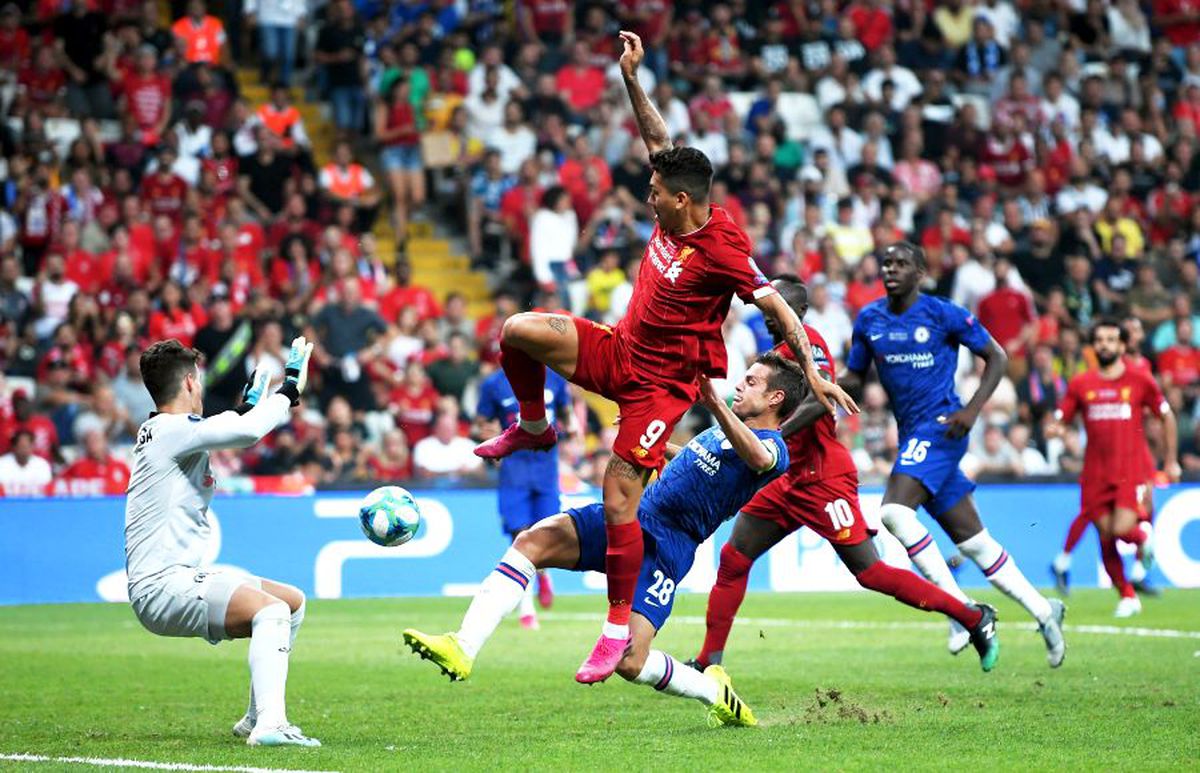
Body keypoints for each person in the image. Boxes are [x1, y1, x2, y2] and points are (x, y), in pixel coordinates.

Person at [472, 30, 858, 684]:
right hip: (619, 347)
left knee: (618, 492)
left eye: (655, 192)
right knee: (517, 330)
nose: (646, 197)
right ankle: (535, 424)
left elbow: (777, 309)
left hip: (659, 385)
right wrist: (631, 78)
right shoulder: (676, 195)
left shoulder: (722, 249)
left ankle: (616, 626)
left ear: (682, 199)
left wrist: (815, 372)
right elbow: (661, 143)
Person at [405, 354, 803, 726]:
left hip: (667, 547)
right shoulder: (722, 433)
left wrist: (713, 403)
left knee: (630, 663)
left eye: (751, 382)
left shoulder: (773, 448)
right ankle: (462, 647)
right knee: (532, 542)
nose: (740, 385)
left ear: (775, 397)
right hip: (631, 516)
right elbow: (697, 459)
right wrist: (657, 444)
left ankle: (711, 688)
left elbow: (758, 459)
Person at [690, 276, 999, 674]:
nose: (767, 311)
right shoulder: (775, 354)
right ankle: (708, 662)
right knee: (733, 558)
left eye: (774, 304)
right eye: (765, 305)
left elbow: (823, 399)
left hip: (823, 478)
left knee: (870, 572)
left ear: (797, 310)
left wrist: (774, 438)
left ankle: (974, 617)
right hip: (785, 478)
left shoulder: (809, 342)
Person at [840, 242, 1066, 667]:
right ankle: (1043, 610)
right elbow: (854, 375)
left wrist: (972, 410)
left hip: (944, 426)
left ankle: (960, 611)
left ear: (920, 272)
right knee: (976, 543)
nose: (891, 270)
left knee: (893, 512)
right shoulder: (869, 319)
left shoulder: (942, 313)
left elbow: (995, 356)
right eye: (886, 263)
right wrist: (822, 383)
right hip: (912, 435)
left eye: (901, 264)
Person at [123, 337, 320, 747]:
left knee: (292, 601)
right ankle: (271, 725)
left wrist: (250, 407)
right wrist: (290, 388)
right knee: (272, 612)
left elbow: (228, 427)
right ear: (192, 382)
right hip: (163, 585)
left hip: (178, 576)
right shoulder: (169, 431)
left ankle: (255, 717)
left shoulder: (166, 431)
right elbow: (246, 432)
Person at [1046, 319, 1181, 617]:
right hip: (1094, 473)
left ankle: (1142, 539)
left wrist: (1170, 460)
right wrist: (1054, 428)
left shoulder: (1139, 380)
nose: (1104, 344)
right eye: (1099, 340)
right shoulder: (1082, 384)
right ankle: (1128, 595)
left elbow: (1166, 416)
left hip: (1128, 471)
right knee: (1105, 534)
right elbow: (1062, 417)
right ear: (1094, 347)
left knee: (1120, 528)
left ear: (1121, 345)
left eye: (1110, 339)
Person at [474, 366, 572, 630]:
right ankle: (527, 608)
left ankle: (544, 575)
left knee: (546, 531)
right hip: (513, 467)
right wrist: (491, 440)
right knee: (520, 535)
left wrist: (572, 428)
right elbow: (482, 421)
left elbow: (566, 411)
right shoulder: (494, 383)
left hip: (546, 467)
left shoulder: (554, 378)